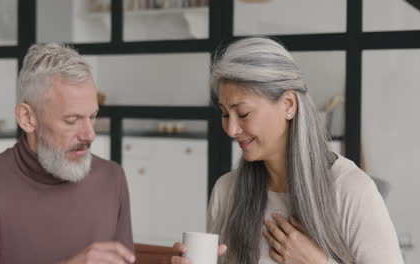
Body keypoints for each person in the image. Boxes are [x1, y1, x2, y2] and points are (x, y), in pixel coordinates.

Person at [171, 37, 404, 264]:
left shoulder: (350, 189)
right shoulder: (227, 191)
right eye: (224, 114)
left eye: (243, 114)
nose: (231, 129)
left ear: (288, 105)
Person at [0, 43, 136, 264]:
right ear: (27, 118)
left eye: (92, 116)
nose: (89, 135)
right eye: (72, 120)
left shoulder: (112, 178)